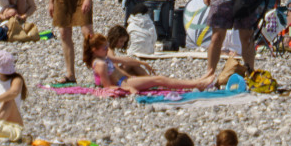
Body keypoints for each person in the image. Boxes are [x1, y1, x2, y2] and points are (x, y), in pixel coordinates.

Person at [86, 33, 214, 96]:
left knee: (158, 79)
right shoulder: (100, 64)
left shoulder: (104, 58)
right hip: (124, 83)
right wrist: (127, 89)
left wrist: (142, 63)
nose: (107, 49)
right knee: (159, 79)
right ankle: (197, 84)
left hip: (126, 80)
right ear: (94, 50)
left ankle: (198, 81)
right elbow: (107, 87)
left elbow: (124, 60)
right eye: (104, 48)